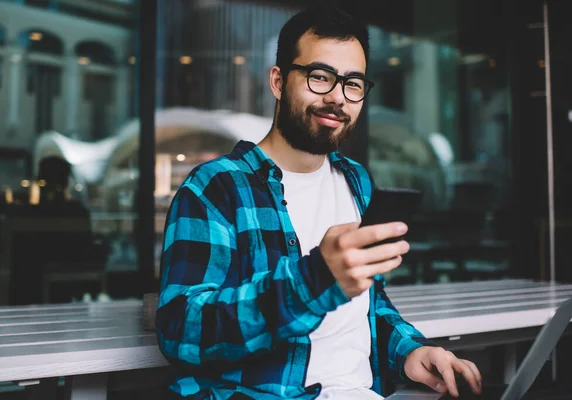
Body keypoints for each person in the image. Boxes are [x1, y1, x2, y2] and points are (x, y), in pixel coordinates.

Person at [156, 5, 483, 399]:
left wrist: (411, 351)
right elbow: (181, 331)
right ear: (278, 81)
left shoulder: (356, 182)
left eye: (353, 84)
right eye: (319, 77)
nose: (336, 98)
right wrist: (312, 281)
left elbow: (368, 306)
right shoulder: (216, 187)